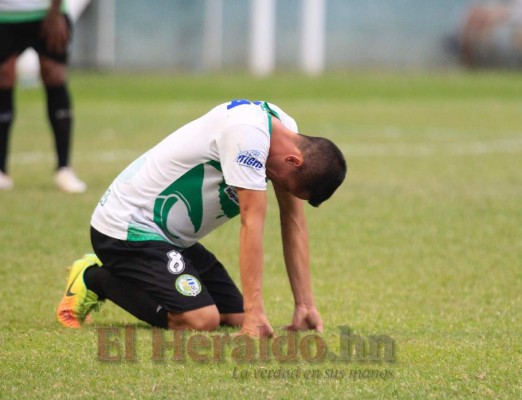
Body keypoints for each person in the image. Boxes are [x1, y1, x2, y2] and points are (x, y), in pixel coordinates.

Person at [57, 99, 346, 337]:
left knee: (233, 315)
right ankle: (93, 277)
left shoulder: (285, 133)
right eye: (284, 185)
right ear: (294, 161)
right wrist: (256, 314)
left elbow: (293, 221)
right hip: (128, 228)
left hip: (172, 238)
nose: (278, 187)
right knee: (201, 319)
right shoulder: (246, 136)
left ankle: (139, 275)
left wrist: (305, 303)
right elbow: (251, 223)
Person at [0, 0, 86, 192]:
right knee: (3, 76)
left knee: (55, 75)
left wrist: (55, 12)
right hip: (5, 14)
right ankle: (1, 171)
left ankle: (64, 168)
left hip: (45, 11)